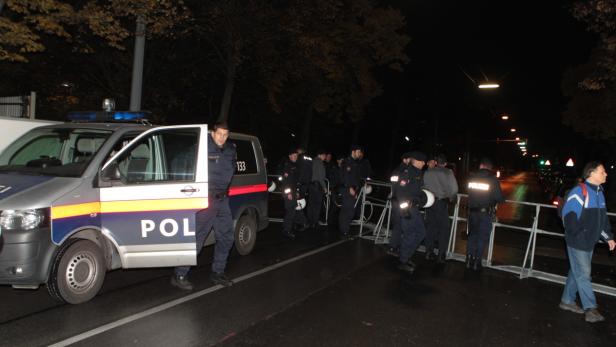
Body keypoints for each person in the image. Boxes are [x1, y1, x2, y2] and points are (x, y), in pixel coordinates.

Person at [171, 122, 236, 290]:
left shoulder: (230, 150)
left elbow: (231, 170)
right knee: (197, 238)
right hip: (205, 200)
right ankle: (180, 274)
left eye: (225, 134)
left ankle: (217, 272)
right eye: (219, 133)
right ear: (213, 133)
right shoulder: (201, 146)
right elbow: (180, 161)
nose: (222, 137)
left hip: (223, 200)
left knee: (227, 237)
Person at [559, 161, 615, 323]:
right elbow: (569, 218)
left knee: (577, 271)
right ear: (591, 173)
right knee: (583, 274)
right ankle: (590, 308)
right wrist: (579, 234)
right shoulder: (579, 191)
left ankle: (567, 301)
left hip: (589, 241)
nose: (606, 174)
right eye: (602, 171)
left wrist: (608, 237)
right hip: (578, 241)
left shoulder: (599, 193)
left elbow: (602, 220)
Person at [465, 158, 504, 271]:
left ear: (481, 166)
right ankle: (477, 262)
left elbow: (469, 192)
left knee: (472, 235)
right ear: (490, 168)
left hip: (472, 212)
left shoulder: (471, 178)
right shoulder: (492, 180)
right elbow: (499, 198)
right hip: (485, 213)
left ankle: (468, 260)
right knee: (482, 237)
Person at [395, 150, 427, 273]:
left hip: (414, 208)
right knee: (410, 234)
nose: (424, 163)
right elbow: (400, 193)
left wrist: (422, 198)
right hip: (407, 209)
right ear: (417, 161)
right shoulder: (407, 172)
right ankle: (403, 260)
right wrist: (404, 210)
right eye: (422, 161)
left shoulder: (418, 173)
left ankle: (406, 256)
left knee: (421, 233)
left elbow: (417, 192)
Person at [423, 154, 459, 263]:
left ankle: (428, 252)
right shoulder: (448, 172)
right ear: (445, 163)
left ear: (436, 162)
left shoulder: (427, 172)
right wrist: (452, 198)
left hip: (429, 203)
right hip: (440, 203)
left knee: (430, 227)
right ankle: (441, 254)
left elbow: (423, 186)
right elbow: (454, 189)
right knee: (444, 228)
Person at [338, 145, 371, 238]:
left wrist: (356, 189)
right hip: (347, 189)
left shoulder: (355, 163)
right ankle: (344, 231)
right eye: (358, 151)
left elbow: (356, 178)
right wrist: (349, 188)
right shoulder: (346, 162)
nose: (359, 153)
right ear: (353, 152)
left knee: (349, 210)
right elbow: (344, 177)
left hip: (353, 190)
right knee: (348, 210)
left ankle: (343, 229)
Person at [387, 152, 413, 256]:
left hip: (396, 200)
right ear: (404, 160)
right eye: (409, 159)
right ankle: (394, 247)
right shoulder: (404, 171)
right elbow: (401, 186)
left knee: (398, 224)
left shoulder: (396, 170)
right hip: (401, 201)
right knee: (400, 225)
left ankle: (394, 246)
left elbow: (393, 183)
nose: (411, 161)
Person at [278, 148, 308, 238]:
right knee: (290, 211)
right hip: (289, 193)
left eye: (296, 155)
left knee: (293, 211)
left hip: (294, 192)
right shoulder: (287, 166)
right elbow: (285, 182)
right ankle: (286, 230)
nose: (295, 157)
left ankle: (291, 226)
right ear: (290, 156)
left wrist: (297, 191)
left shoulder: (295, 165)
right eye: (293, 155)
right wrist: (289, 193)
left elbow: (296, 181)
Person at [307, 149, 327, 228]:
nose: (325, 157)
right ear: (320, 155)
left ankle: (309, 220)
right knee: (317, 205)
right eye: (324, 155)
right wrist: (324, 187)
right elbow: (321, 177)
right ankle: (314, 222)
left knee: (311, 204)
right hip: (317, 186)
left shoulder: (312, 161)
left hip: (311, 185)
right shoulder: (320, 162)